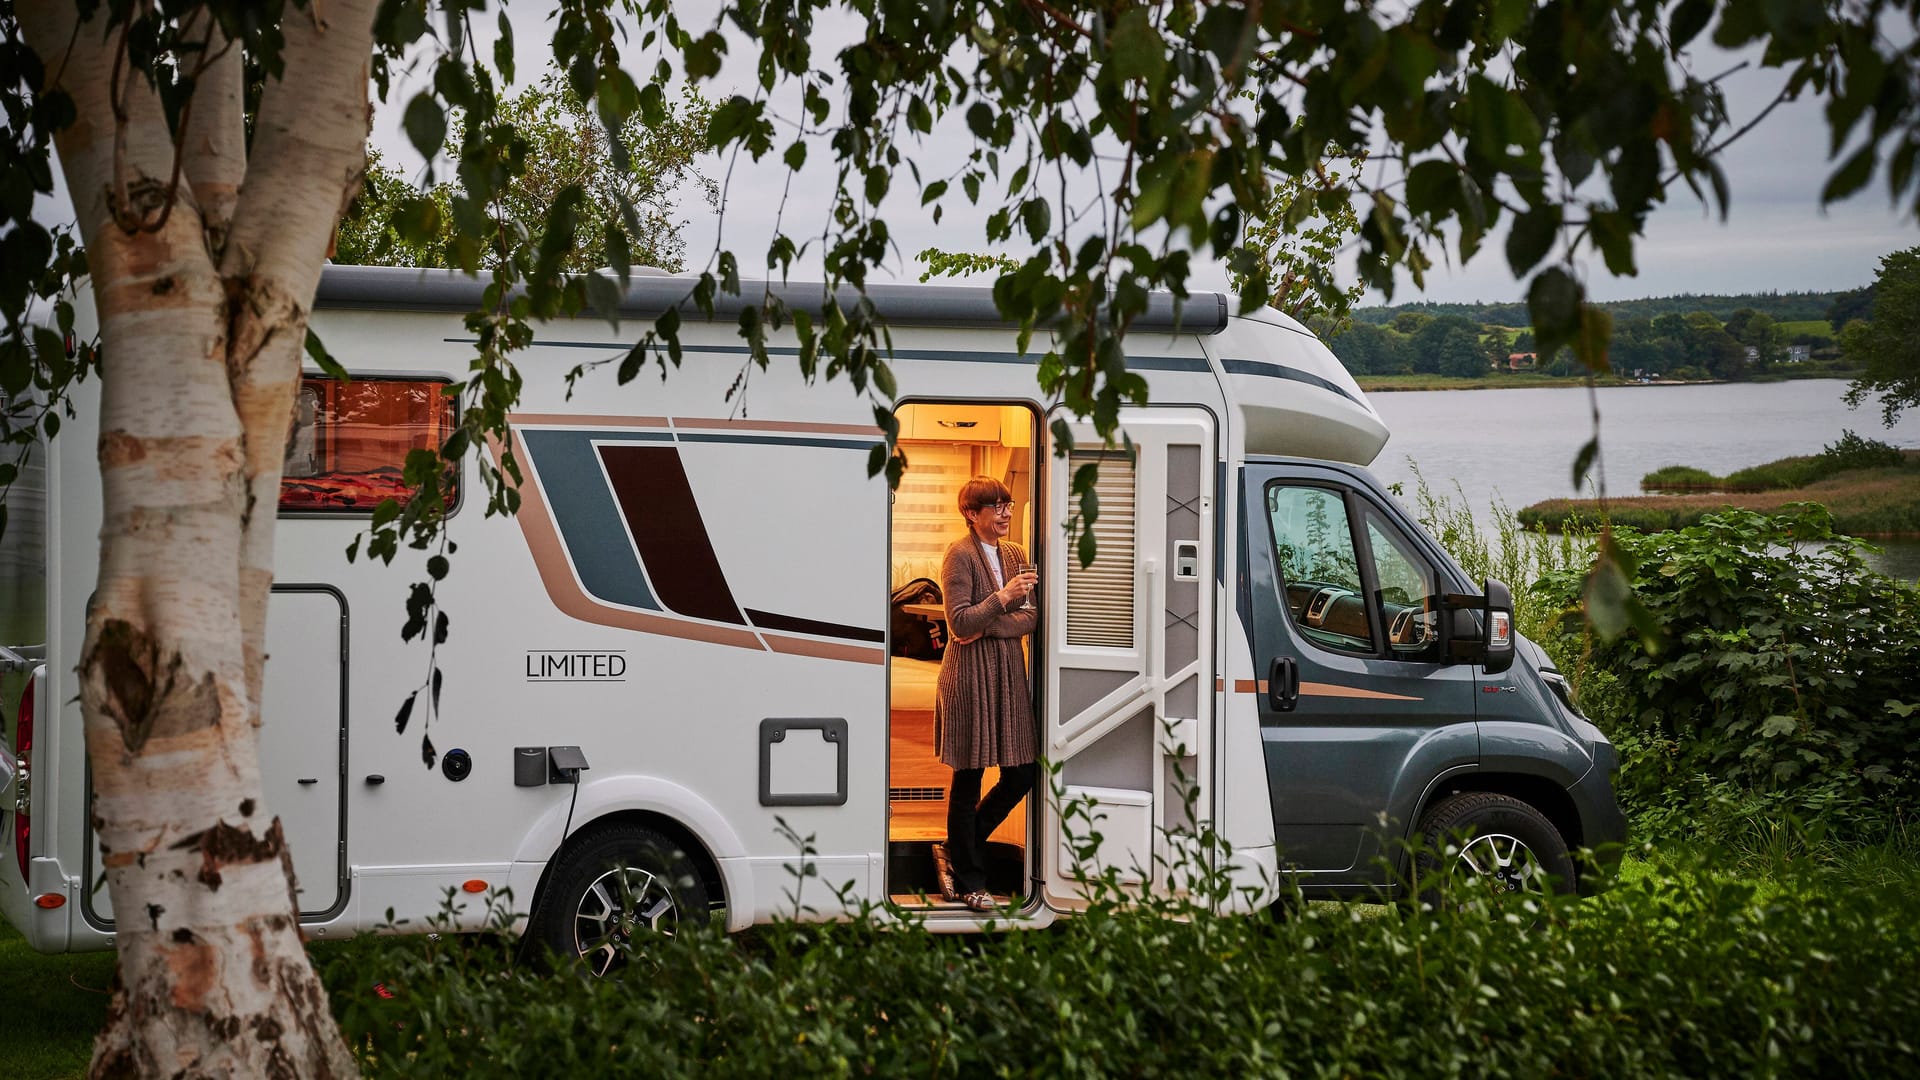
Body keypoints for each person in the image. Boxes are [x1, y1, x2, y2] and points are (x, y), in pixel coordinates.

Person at [931, 476, 1038, 912]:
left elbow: (1031, 618)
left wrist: (990, 623)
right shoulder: (958, 555)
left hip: (1008, 678)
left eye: (1008, 504)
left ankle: (958, 848)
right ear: (972, 515)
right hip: (969, 680)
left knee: (1021, 773)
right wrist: (1002, 598)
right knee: (969, 776)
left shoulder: (1016, 554)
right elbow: (959, 625)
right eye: (996, 507)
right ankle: (973, 879)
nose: (1006, 513)